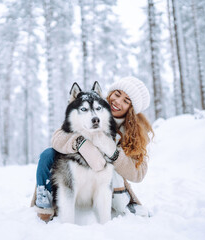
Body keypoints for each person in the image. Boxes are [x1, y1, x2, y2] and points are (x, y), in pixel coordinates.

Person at [30, 76, 154, 222]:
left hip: (110, 184)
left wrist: (113, 153)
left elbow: (138, 173)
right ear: (110, 93)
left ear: (131, 108)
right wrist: (81, 143)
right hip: (77, 176)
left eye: (126, 101)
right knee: (48, 154)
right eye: (117, 94)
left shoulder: (136, 133)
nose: (118, 102)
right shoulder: (92, 105)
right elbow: (58, 136)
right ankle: (45, 201)